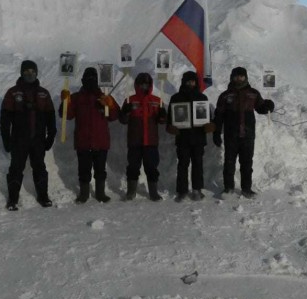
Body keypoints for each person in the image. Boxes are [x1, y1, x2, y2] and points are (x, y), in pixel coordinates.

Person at [0, 60, 57, 210]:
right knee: (16, 168)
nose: (29, 74)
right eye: (26, 72)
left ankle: (43, 196)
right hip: (19, 140)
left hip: (38, 139)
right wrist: (6, 139)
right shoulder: (13, 93)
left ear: (37, 73)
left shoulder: (43, 93)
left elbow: (51, 117)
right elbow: (4, 119)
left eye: (32, 71)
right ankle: (12, 199)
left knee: (39, 167)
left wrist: (51, 135)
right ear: (21, 73)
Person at [213, 67, 275, 198]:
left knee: (247, 163)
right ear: (232, 77)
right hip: (231, 135)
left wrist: (268, 106)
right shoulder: (225, 95)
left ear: (246, 77)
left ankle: (246, 189)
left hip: (248, 135)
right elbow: (218, 115)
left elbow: (261, 108)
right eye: (236, 76)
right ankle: (228, 188)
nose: (239, 79)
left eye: (241, 76)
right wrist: (216, 132)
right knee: (229, 163)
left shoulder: (253, 93)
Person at [60, 67, 119, 203]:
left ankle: (100, 193)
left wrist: (110, 105)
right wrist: (65, 101)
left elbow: (115, 116)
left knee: (100, 170)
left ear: (98, 81)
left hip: (101, 141)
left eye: (93, 78)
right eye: (88, 78)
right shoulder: (76, 98)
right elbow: (67, 115)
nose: (90, 81)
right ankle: (84, 194)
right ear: (82, 80)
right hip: (83, 141)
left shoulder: (104, 96)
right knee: (84, 170)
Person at [166, 71, 215, 201]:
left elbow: (209, 117)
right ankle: (182, 191)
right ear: (183, 82)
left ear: (196, 82)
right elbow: (170, 118)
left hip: (198, 138)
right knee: (182, 164)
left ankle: (197, 189)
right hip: (182, 137)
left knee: (198, 164)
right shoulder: (176, 98)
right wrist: (171, 127)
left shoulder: (202, 98)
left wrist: (209, 125)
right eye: (188, 81)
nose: (190, 83)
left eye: (192, 81)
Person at [119, 72, 167, 201]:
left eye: (147, 84)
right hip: (135, 141)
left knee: (151, 167)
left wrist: (163, 115)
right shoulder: (130, 100)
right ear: (137, 85)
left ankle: (153, 192)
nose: (144, 87)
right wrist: (125, 112)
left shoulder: (157, 101)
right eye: (142, 84)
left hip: (150, 141)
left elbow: (162, 121)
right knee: (133, 167)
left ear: (150, 85)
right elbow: (123, 120)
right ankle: (131, 191)